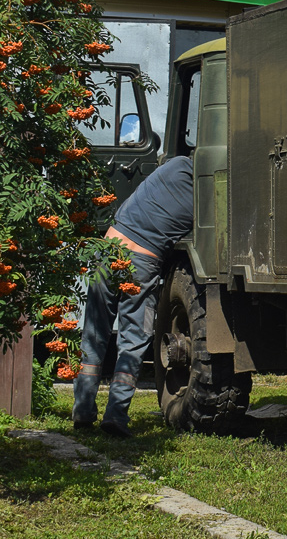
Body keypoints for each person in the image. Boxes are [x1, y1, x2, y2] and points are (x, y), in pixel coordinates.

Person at [72, 154, 194, 438]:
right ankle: (115, 416)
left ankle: (82, 411)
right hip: (141, 261)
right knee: (132, 341)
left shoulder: (173, 166)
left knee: (94, 333)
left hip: (108, 248)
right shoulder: (202, 191)